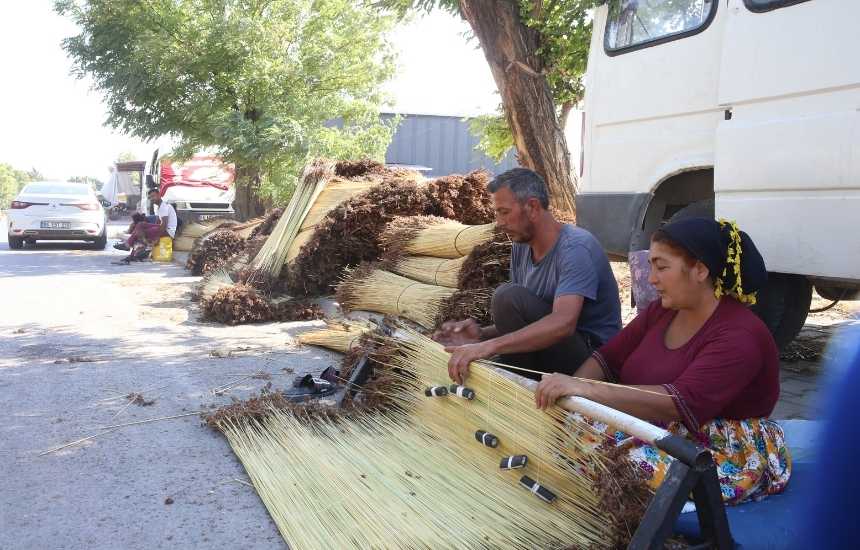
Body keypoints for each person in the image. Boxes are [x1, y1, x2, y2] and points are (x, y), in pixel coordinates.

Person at [534, 217, 791, 504]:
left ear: (700, 270)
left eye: (662, 266)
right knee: (565, 430)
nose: (651, 278)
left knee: (623, 464)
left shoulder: (740, 334)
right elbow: (608, 359)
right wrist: (571, 401)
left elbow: (680, 403)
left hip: (721, 450)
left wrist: (580, 390)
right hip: (665, 430)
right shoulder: (663, 311)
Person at [434, 167, 622, 384]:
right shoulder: (521, 246)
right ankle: (520, 389)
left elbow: (562, 323)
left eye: (504, 212)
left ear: (532, 207)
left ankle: (518, 389)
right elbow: (525, 321)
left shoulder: (576, 248)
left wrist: (487, 347)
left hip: (592, 363)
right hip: (556, 350)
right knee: (509, 300)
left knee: (507, 297)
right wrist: (479, 336)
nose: (499, 222)